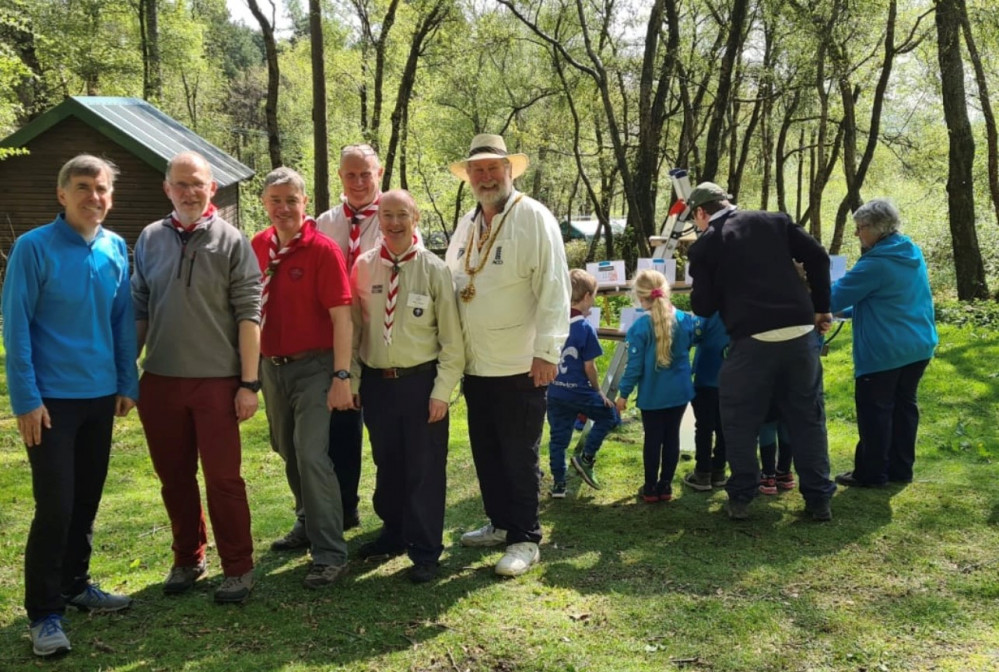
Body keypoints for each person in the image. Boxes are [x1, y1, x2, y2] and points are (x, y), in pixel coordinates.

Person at [2, 155, 138, 657]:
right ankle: (43, 614)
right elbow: (15, 328)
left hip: (101, 397)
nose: (93, 197)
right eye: (83, 187)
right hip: (51, 403)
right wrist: (27, 399)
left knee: (85, 500)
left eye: (101, 188)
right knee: (55, 506)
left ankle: (76, 584)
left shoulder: (116, 247)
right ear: (62, 195)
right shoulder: (33, 248)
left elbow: (123, 320)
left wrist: (128, 381)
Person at [131, 151, 261, 604]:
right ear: (167, 188)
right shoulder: (149, 238)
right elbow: (140, 308)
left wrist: (248, 384)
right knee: (174, 477)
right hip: (161, 380)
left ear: (213, 188)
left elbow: (249, 314)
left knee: (224, 479)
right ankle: (188, 557)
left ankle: (238, 567)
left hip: (218, 382)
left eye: (197, 184)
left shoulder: (232, 241)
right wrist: (129, 373)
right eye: (180, 184)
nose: (189, 192)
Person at [444, 133, 570, 577]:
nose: (485, 176)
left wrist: (548, 351)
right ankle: (500, 524)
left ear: (509, 171)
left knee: (519, 454)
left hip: (521, 361)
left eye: (493, 168)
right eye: (477, 170)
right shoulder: (466, 224)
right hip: (476, 362)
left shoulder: (532, 217)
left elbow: (555, 286)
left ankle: (525, 537)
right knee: (488, 451)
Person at [686, 181, 836, 521]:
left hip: (752, 340)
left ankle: (741, 495)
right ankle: (818, 499)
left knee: (739, 417)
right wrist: (821, 306)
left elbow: (704, 306)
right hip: (800, 332)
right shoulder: (775, 221)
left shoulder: (706, 243)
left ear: (700, 212)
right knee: (808, 417)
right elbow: (817, 255)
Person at [348, 189, 464, 583]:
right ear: (377, 219)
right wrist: (353, 378)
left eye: (402, 215)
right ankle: (393, 532)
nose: (394, 223)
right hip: (379, 385)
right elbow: (355, 329)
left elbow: (452, 340)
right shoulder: (363, 267)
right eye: (387, 215)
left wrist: (441, 392)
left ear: (415, 218)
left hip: (420, 383)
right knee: (388, 463)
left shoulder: (434, 269)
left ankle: (427, 550)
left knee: (425, 468)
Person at [252, 167, 354, 588]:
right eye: (275, 200)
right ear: (264, 204)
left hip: (315, 365)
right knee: (286, 449)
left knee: (311, 452)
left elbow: (342, 318)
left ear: (304, 202)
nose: (283, 208)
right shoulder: (256, 246)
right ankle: (306, 519)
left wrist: (341, 375)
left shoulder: (322, 250)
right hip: (270, 366)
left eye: (291, 200)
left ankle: (329, 551)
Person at [301, 143, 388, 539]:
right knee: (340, 430)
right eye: (350, 174)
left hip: (381, 338)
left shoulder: (394, 216)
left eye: (365, 174)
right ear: (339, 176)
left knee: (386, 433)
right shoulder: (324, 223)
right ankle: (343, 508)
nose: (358, 182)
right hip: (337, 342)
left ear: (379, 173)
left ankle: (392, 514)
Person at [829, 199, 937, 487]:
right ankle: (901, 470)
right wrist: (850, 311)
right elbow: (890, 298)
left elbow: (831, 298)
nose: (857, 234)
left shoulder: (876, 262)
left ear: (878, 229)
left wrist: (806, 280)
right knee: (903, 409)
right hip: (918, 344)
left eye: (860, 228)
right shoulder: (910, 250)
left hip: (886, 350)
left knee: (875, 411)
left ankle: (871, 473)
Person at [615, 270, 698, 503]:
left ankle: (650, 488)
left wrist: (623, 395)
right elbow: (692, 341)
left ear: (641, 298)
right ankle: (666, 486)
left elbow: (634, 368)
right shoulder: (686, 320)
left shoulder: (639, 328)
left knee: (653, 439)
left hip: (652, 395)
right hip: (680, 392)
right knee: (672, 437)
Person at [546, 269, 618, 498]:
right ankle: (586, 458)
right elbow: (590, 367)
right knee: (610, 416)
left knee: (558, 439)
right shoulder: (585, 328)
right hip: (581, 393)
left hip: (555, 392)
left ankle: (559, 484)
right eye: (595, 296)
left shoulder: (553, 324)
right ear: (587, 296)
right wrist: (599, 392)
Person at [683, 311, 728, 491]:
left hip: (707, 378)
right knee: (724, 427)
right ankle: (719, 470)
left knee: (704, 427)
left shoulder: (707, 312)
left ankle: (702, 473)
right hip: (732, 378)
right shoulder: (740, 306)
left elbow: (692, 336)